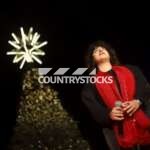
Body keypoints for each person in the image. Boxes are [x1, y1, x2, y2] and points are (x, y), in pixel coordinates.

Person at [81, 40, 150, 150]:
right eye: (95, 51)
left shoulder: (132, 69)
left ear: (110, 53)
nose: (99, 50)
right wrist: (108, 114)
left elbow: (144, 87)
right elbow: (93, 107)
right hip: (116, 132)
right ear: (92, 59)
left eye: (102, 48)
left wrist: (138, 101)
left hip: (144, 120)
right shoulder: (90, 84)